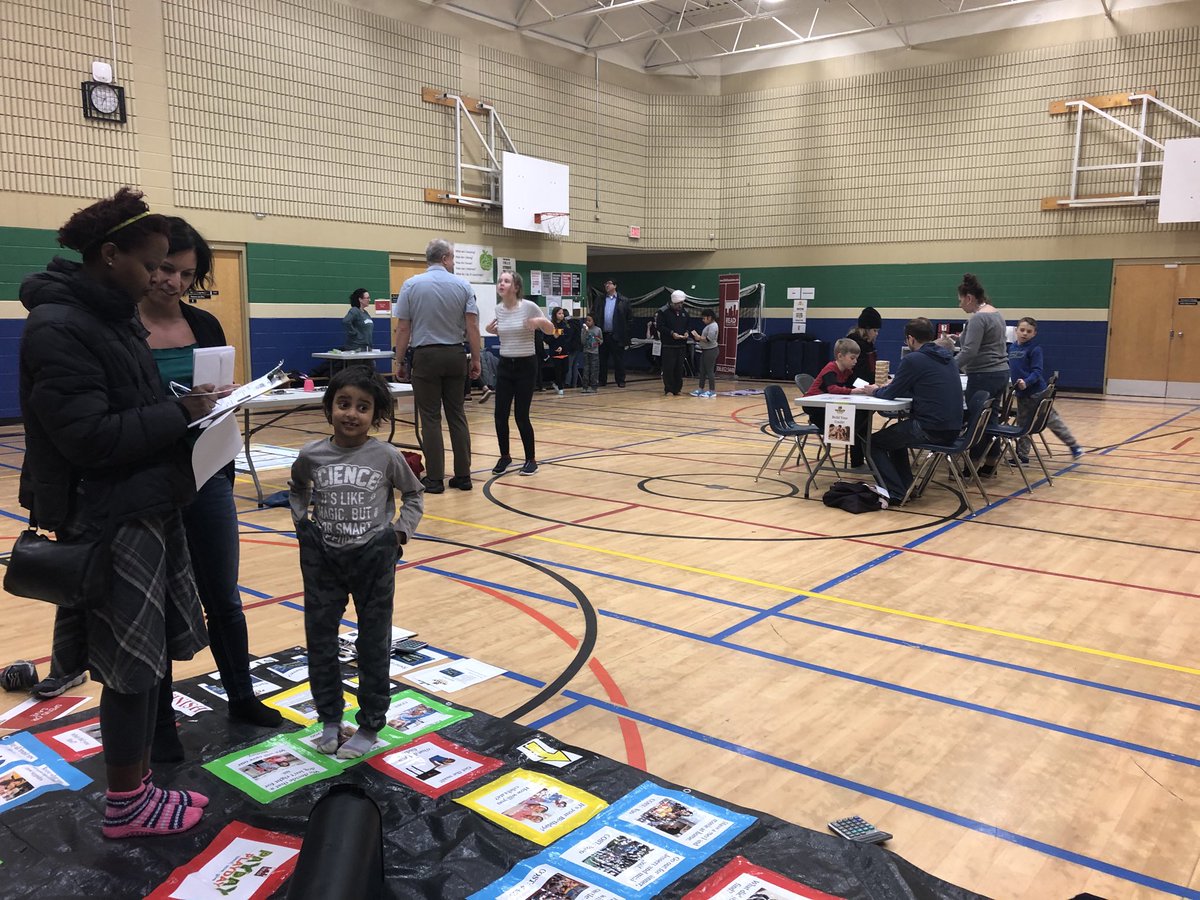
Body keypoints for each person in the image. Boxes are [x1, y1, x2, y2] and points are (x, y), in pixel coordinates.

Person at [19, 187, 216, 838]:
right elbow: (90, 438)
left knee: (147, 659)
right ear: (110, 256)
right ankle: (128, 805)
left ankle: (137, 790)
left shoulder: (108, 314)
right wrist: (177, 413)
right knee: (130, 667)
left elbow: (130, 406)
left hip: (144, 503)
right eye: (152, 262)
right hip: (111, 516)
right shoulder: (61, 326)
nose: (161, 277)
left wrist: (183, 407)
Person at [138, 217, 284, 760]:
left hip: (209, 475)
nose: (172, 281)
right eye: (162, 268)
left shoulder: (204, 323)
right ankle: (159, 723)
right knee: (154, 606)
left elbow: (216, 393)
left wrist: (225, 398)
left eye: (184, 273)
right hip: (149, 485)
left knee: (223, 595)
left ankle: (242, 696)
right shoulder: (121, 328)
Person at [289, 366, 424, 760]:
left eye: (362, 407)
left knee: (373, 643)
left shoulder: (386, 456)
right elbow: (297, 488)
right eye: (343, 404)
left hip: (373, 558)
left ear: (375, 415)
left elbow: (414, 495)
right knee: (320, 640)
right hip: (323, 559)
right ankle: (330, 719)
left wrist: (399, 534)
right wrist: (302, 524)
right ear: (329, 406)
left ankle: (369, 724)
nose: (351, 413)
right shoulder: (311, 454)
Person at [392, 239, 481, 494]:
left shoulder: (411, 285)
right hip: (455, 354)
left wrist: (400, 362)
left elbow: (404, 328)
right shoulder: (463, 286)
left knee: (430, 418)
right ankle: (463, 476)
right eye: (452, 258)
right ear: (444, 258)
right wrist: (475, 359)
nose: (452, 263)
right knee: (457, 415)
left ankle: (434, 479)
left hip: (425, 357)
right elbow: (472, 326)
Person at [860, 318, 962, 501]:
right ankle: (906, 487)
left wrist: (874, 390)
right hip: (954, 427)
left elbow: (889, 393)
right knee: (895, 439)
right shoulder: (948, 358)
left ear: (910, 339)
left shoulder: (914, 359)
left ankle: (894, 491)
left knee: (872, 443)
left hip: (931, 428)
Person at [485, 271, 554, 477]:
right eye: (500, 281)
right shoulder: (499, 309)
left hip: (526, 365)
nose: (502, 284)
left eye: (506, 281)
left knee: (521, 416)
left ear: (516, 287)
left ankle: (531, 459)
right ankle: (505, 456)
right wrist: (491, 330)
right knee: (499, 415)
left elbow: (551, 330)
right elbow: (505, 331)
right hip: (505, 365)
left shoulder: (529, 306)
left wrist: (540, 323)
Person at [1008, 316, 1084, 461]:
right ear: (1016, 330)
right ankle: (1022, 455)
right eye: (1022, 330)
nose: (1024, 333)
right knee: (1023, 425)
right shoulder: (1011, 348)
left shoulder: (1035, 349)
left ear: (1034, 333)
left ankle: (1074, 446)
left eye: (1028, 331)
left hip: (1037, 394)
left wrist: (1027, 382)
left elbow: (1037, 372)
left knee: (1052, 420)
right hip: (1021, 395)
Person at [954, 273, 1009, 472]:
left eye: (960, 300)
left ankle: (972, 465)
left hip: (984, 374)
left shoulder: (978, 318)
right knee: (990, 419)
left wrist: (948, 368)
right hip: (1001, 373)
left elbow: (970, 351)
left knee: (977, 420)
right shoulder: (996, 313)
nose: (960, 305)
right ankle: (991, 462)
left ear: (969, 298)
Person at [802, 338, 871, 468]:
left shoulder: (847, 371)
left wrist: (871, 387)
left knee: (862, 419)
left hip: (827, 406)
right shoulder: (831, 368)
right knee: (856, 423)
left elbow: (857, 383)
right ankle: (853, 443)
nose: (855, 362)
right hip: (815, 408)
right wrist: (852, 392)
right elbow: (832, 389)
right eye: (852, 358)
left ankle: (858, 461)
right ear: (840, 356)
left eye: (856, 358)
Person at [844, 307, 882, 468]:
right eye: (874, 330)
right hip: (853, 391)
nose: (877, 333)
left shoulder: (869, 346)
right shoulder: (853, 346)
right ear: (865, 329)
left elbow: (871, 371)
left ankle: (861, 459)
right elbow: (851, 376)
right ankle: (857, 460)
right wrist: (868, 387)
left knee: (863, 425)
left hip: (865, 389)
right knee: (859, 425)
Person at [594, 279, 632, 387]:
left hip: (617, 335)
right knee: (602, 359)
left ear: (615, 285)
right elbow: (595, 314)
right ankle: (602, 380)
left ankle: (620, 380)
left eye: (609, 283)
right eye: (605, 283)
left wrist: (625, 332)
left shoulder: (624, 300)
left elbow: (629, 319)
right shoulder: (600, 299)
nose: (606, 285)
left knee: (618, 360)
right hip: (603, 334)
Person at [657, 290, 691, 396]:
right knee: (668, 368)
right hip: (669, 345)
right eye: (678, 304)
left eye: (681, 303)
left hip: (681, 345)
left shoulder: (684, 312)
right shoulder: (663, 312)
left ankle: (677, 389)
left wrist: (686, 332)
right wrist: (671, 333)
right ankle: (669, 388)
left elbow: (687, 325)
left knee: (679, 368)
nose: (680, 305)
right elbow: (660, 326)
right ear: (673, 302)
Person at [690, 309, 719, 398]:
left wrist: (699, 337)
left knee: (709, 371)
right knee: (702, 371)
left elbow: (709, 339)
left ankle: (712, 391)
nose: (703, 320)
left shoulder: (713, 326)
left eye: (704, 318)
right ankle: (701, 389)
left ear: (709, 318)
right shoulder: (709, 326)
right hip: (705, 350)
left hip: (711, 350)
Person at [547, 307, 570, 396]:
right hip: (554, 351)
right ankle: (560, 387)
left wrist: (562, 346)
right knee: (558, 370)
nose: (561, 315)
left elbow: (567, 338)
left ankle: (557, 383)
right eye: (559, 313)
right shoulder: (550, 325)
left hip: (564, 351)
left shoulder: (565, 325)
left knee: (566, 369)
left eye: (562, 313)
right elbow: (547, 338)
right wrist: (554, 337)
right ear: (555, 315)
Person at [581, 314, 603, 394]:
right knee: (586, 369)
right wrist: (585, 332)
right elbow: (582, 341)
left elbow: (601, 340)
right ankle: (585, 386)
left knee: (594, 370)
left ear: (594, 321)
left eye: (589, 320)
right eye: (586, 320)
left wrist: (598, 340)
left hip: (594, 353)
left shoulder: (598, 330)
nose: (588, 322)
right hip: (586, 352)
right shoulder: (584, 330)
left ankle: (594, 386)